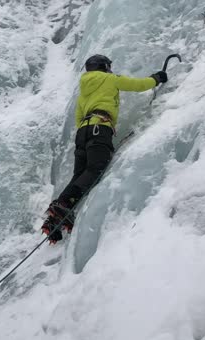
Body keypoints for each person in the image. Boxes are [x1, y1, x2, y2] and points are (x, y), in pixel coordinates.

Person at [41, 54, 168, 243]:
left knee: (80, 174)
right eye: (108, 66)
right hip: (100, 127)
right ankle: (64, 204)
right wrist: (157, 78)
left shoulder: (84, 90)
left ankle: (54, 221)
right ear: (104, 67)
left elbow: (78, 116)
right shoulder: (110, 79)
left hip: (83, 132)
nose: (110, 69)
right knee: (95, 169)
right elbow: (138, 85)